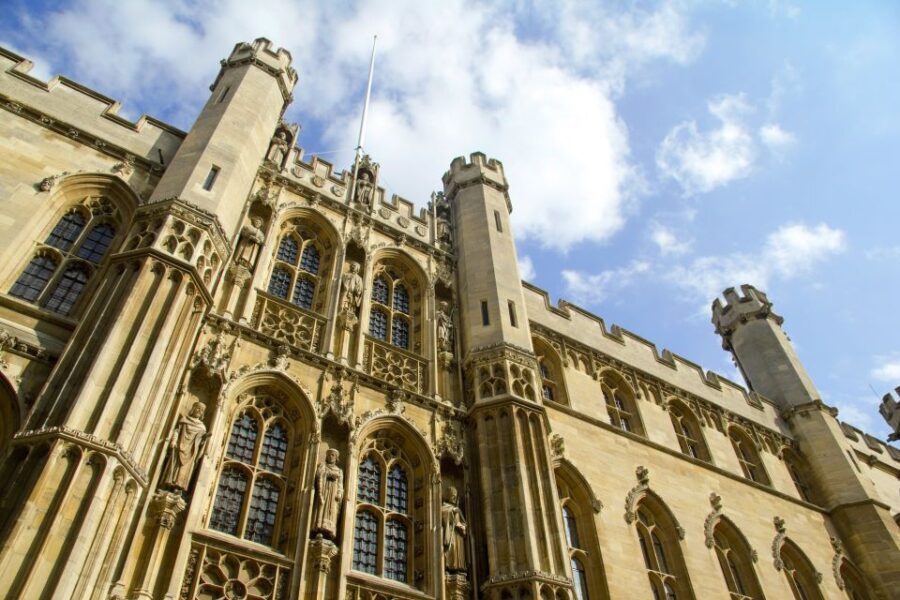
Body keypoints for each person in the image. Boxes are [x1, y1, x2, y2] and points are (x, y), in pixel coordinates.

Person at [161, 401, 208, 492]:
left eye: (201, 410)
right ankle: (168, 485)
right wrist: (174, 441)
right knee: (174, 467)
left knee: (184, 471)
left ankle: (178, 488)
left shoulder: (202, 427)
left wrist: (204, 439)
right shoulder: (184, 420)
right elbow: (177, 431)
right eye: (198, 408)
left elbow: (200, 443)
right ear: (193, 409)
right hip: (179, 447)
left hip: (191, 452)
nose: (199, 411)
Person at [311, 448, 344, 539]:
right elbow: (319, 476)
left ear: (336, 457)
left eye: (333, 455)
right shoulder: (323, 466)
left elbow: (340, 484)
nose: (330, 456)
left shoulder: (339, 471)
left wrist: (339, 493)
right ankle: (319, 529)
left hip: (333, 495)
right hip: (324, 492)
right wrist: (329, 474)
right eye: (329, 454)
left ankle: (329, 531)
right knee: (322, 509)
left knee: (331, 512)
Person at [441, 486, 467, 572]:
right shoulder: (445, 506)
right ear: (448, 496)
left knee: (458, 552)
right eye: (453, 496)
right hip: (451, 533)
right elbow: (442, 514)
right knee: (451, 548)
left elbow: (463, 522)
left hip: (458, 535)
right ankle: (450, 568)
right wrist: (452, 511)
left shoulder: (458, 509)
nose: (454, 498)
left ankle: (458, 569)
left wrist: (463, 527)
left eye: (455, 496)